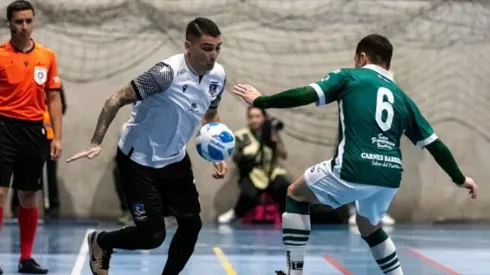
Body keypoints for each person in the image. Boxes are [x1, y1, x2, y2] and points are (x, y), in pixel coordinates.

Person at [233, 34, 478, 275]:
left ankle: (293, 271)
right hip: (390, 177)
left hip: (353, 168)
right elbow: (436, 145)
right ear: (388, 63)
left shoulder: (349, 76)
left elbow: (306, 94)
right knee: (368, 226)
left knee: (296, 195)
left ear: (361, 57)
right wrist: (459, 179)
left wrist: (261, 101)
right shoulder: (403, 98)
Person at [66, 17, 227, 275]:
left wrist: (216, 149)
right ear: (188, 46)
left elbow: (210, 114)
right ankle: (102, 241)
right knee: (152, 236)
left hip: (175, 159)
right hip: (138, 161)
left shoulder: (218, 76)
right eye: (207, 48)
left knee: (191, 225)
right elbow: (115, 99)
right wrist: (96, 142)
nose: (214, 54)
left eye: (218, 47)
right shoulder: (165, 74)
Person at [0, 1, 63, 274]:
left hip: (33, 131)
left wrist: (57, 137)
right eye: (18, 22)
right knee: (0, 192)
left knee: (29, 195)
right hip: (3, 128)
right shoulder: (0, 55)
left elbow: (53, 98)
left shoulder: (46, 56)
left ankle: (26, 258)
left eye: (28, 21)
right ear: (9, 24)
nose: (23, 27)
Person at [218, 106, 290, 224]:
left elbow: (284, 155)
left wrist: (275, 141)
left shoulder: (270, 134)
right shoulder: (241, 135)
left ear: (264, 117)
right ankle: (235, 213)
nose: (254, 120)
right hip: (251, 173)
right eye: (251, 117)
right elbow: (236, 158)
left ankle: (287, 216)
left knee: (284, 187)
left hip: (271, 172)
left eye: (258, 116)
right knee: (248, 195)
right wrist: (247, 152)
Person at [11, 85, 67, 219]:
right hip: (26, 133)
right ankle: (16, 207)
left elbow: (61, 106)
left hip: (48, 135)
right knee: (21, 171)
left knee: (50, 172)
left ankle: (52, 208)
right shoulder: (24, 83)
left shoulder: (54, 84)